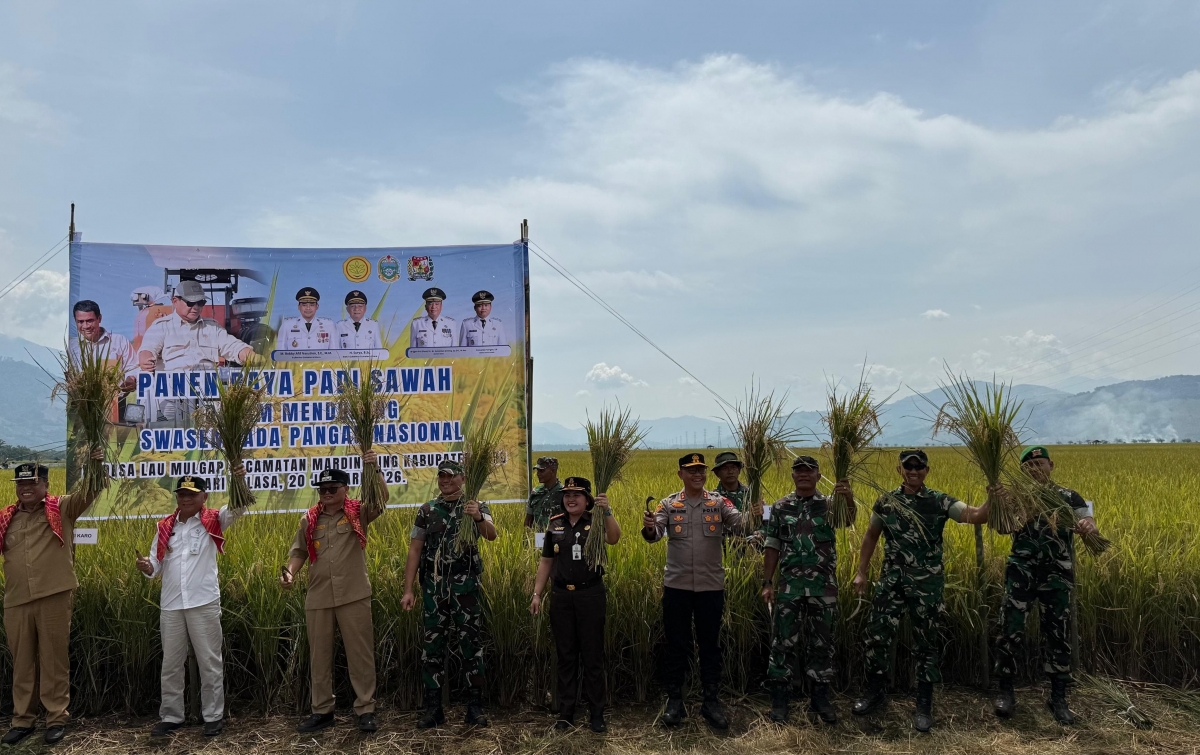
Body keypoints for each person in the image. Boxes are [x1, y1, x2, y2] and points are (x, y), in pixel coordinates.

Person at [851, 448, 990, 732]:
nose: (913, 471)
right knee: (877, 637)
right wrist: (861, 572)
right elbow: (871, 536)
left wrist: (993, 498)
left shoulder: (940, 501)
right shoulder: (886, 501)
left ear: (927, 471)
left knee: (926, 644)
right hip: (891, 581)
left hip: (926, 585)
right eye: (908, 467)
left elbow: (975, 516)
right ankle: (874, 693)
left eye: (919, 467)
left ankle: (924, 705)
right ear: (899, 469)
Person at [641, 452, 759, 729]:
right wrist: (648, 528)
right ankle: (675, 702)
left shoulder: (718, 502)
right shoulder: (669, 504)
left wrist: (753, 515)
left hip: (710, 587)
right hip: (677, 587)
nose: (698, 474)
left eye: (701, 470)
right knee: (676, 645)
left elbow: (741, 525)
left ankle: (711, 701)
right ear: (680, 474)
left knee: (710, 646)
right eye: (691, 470)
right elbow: (654, 536)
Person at [0, 451, 104, 746]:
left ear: (46, 484)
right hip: (17, 599)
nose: (26, 488)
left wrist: (95, 463)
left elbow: (90, 490)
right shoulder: (6, 518)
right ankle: (22, 720)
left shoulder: (62, 508)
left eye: (32, 482)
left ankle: (56, 718)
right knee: (21, 662)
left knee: (53, 659)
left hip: (54, 595)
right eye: (21, 484)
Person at [992, 445, 1102, 725]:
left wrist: (1089, 527)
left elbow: (1088, 519)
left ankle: (1058, 697)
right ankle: (1005, 692)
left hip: (1056, 575)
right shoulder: (1016, 498)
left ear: (1051, 465)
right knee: (1010, 630)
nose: (1035, 469)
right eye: (1029, 466)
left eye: (1040, 463)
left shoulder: (1068, 497)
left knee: (1058, 634)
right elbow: (1003, 528)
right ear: (1023, 471)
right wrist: (999, 503)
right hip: (1021, 572)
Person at [280, 458, 388, 734]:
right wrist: (290, 573)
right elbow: (299, 552)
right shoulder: (309, 519)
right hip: (319, 596)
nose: (327, 493)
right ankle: (322, 711)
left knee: (360, 655)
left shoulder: (359, 512)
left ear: (345, 489)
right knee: (319, 657)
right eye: (322, 489)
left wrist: (374, 468)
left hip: (353, 595)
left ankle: (365, 709)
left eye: (333, 488)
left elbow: (382, 498)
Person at [136, 471, 247, 738]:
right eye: (181, 494)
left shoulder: (213, 520)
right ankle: (171, 716)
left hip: (203, 602)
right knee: (171, 663)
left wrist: (239, 477)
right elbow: (156, 567)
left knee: (209, 661)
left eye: (191, 494)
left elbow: (240, 506)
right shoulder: (165, 526)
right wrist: (147, 566)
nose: (185, 499)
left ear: (204, 496)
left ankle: (213, 716)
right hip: (172, 605)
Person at [401, 460, 498, 728]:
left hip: (466, 586)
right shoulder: (427, 510)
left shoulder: (476, 506)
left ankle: (474, 708)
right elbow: (415, 550)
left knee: (471, 646)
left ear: (463, 479)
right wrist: (408, 589)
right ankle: (433, 709)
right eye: (441, 477)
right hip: (434, 588)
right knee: (432, 648)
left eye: (450, 476)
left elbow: (492, 535)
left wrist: (478, 516)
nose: (444, 481)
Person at [761, 456, 854, 725]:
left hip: (822, 588)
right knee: (782, 643)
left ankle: (820, 699)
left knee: (821, 645)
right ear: (792, 476)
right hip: (789, 587)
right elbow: (772, 544)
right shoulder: (780, 506)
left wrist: (847, 496)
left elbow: (848, 520)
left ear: (817, 475)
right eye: (798, 471)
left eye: (809, 471)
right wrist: (767, 582)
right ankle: (780, 701)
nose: (803, 474)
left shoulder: (829, 506)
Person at [530, 477, 621, 732]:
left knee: (592, 656)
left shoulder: (596, 520)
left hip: (590, 595)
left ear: (588, 500)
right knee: (566, 656)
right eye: (567, 494)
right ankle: (566, 712)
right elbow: (546, 561)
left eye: (577, 495)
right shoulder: (555, 524)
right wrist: (537, 594)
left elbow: (614, 538)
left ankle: (596, 713)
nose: (570, 498)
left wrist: (608, 510)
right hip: (562, 597)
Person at [138, 280, 253, 371]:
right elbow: (148, 349)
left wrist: (248, 354)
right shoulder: (162, 326)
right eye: (191, 302)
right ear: (175, 301)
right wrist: (145, 360)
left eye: (201, 302)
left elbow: (232, 346)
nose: (196, 307)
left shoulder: (212, 328)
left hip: (207, 392)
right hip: (172, 393)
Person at [69, 300, 137, 390]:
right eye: (80, 322)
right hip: (80, 402)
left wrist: (130, 380)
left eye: (90, 321)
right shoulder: (70, 347)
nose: (85, 326)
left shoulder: (119, 341)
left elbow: (133, 368)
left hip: (116, 400)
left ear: (99, 318)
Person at [523, 456, 563, 530]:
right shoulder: (536, 492)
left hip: (557, 538)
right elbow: (528, 520)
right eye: (537, 471)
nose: (538, 474)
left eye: (542, 471)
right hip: (538, 538)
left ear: (553, 471)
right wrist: (526, 538)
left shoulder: (564, 493)